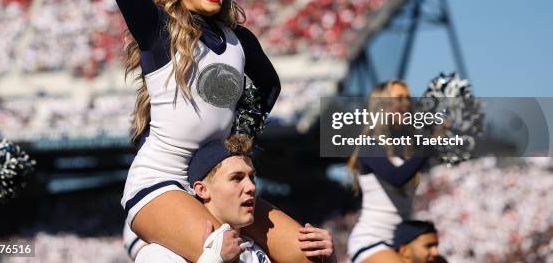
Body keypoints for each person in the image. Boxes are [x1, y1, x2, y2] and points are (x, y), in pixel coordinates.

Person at [102, 0, 311, 262]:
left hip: (218, 184)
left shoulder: (239, 41)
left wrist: (244, 130)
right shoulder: (158, 30)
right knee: (233, 257)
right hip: (160, 181)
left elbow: (269, 85)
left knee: (309, 255)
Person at [132, 138, 336, 262]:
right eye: (236, 178)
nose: (251, 187)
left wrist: (328, 260)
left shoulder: (259, 252)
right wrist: (213, 260)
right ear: (202, 190)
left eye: (252, 177)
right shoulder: (161, 253)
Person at [346, 80, 431, 263]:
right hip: (372, 240)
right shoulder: (369, 145)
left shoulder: (407, 148)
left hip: (401, 244)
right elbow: (396, 177)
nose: (405, 104)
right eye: (398, 99)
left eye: (408, 99)